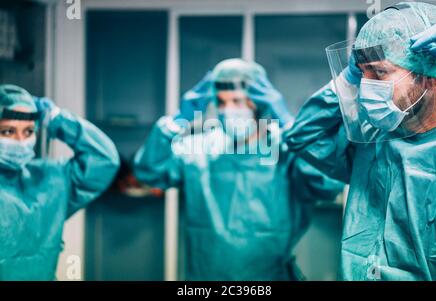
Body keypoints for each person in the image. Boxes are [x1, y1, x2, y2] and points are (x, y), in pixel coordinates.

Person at [133, 58, 344, 281]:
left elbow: (328, 184)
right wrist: (176, 122)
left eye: (237, 101)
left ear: (260, 103)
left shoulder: (285, 149)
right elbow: (149, 172)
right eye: (221, 103)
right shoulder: (199, 148)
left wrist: (292, 128)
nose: (228, 110)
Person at [285, 2, 436, 280]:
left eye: (379, 73)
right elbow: (304, 136)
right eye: (361, 73)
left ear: (427, 75)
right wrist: (346, 79)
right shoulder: (373, 142)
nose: (365, 85)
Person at [0, 84, 120, 280]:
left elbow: (104, 160)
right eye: (7, 132)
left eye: (28, 131)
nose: (20, 141)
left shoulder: (49, 180)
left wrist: (57, 119)